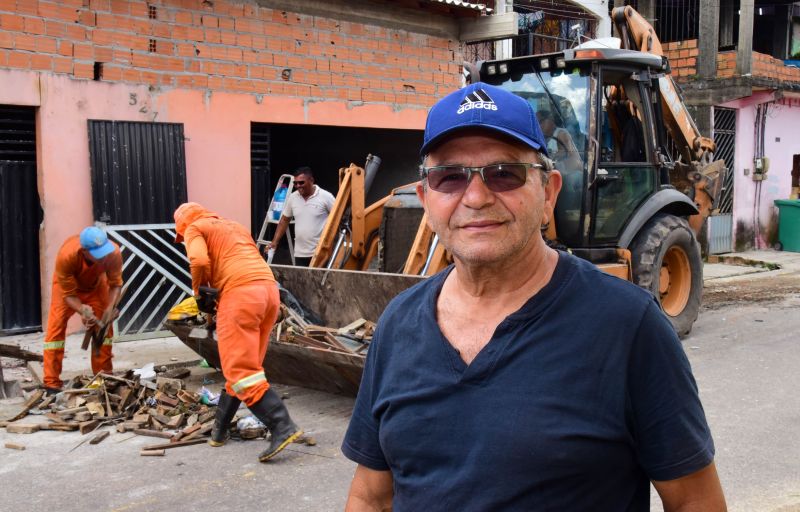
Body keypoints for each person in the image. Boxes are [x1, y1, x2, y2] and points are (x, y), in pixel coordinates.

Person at [341, 83, 726, 510]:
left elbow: (695, 501)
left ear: (548, 193)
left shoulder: (628, 327)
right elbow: (371, 497)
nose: (475, 197)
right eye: (449, 177)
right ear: (426, 200)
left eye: (504, 173)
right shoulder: (397, 324)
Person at [173, 202, 302, 462]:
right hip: (268, 292)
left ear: (182, 225)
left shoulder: (194, 227)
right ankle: (219, 432)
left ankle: (282, 425)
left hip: (240, 294)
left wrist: (200, 295)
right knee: (246, 367)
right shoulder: (235, 226)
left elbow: (198, 260)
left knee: (241, 371)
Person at [42, 226, 123, 393]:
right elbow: (69, 295)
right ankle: (51, 383)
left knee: (104, 331)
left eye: (105, 252)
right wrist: (82, 310)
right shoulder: (67, 255)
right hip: (67, 290)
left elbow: (116, 285)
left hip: (95, 286)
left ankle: (104, 377)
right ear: (84, 251)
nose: (104, 258)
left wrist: (110, 307)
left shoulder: (113, 253)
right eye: (98, 255)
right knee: (55, 332)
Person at [265, 167, 335, 266]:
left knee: (319, 281)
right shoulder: (293, 197)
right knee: (302, 281)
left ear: (311, 180)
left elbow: (338, 218)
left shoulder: (326, 197)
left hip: (320, 253)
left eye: (301, 182)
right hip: (299, 253)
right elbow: (284, 220)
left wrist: (331, 246)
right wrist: (274, 242)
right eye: (295, 183)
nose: (298, 186)